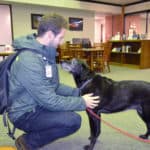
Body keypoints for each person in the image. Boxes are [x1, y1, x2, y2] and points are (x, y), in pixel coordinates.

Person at [8, 13, 100, 150]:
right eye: (61, 37)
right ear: (50, 35)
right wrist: (81, 102)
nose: (62, 42)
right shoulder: (29, 60)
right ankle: (27, 142)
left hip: (37, 103)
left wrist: (79, 92)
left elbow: (54, 86)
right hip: (24, 112)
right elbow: (49, 100)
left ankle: (36, 132)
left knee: (71, 118)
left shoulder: (47, 54)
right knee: (72, 121)